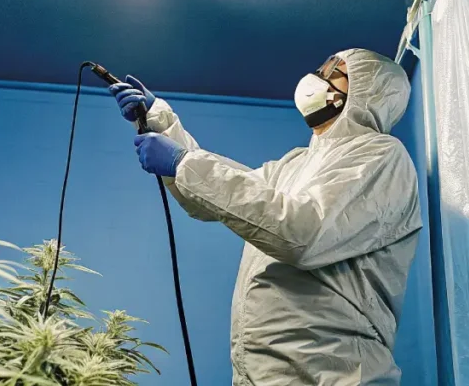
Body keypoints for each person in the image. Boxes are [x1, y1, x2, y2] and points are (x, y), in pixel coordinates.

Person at [108, 49, 421, 385]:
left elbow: (301, 233)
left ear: (367, 92)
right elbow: (223, 196)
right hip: (268, 372)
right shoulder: (295, 164)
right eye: (321, 68)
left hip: (332, 374)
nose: (317, 78)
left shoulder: (380, 155)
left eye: (334, 73)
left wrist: (183, 163)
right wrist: (160, 122)